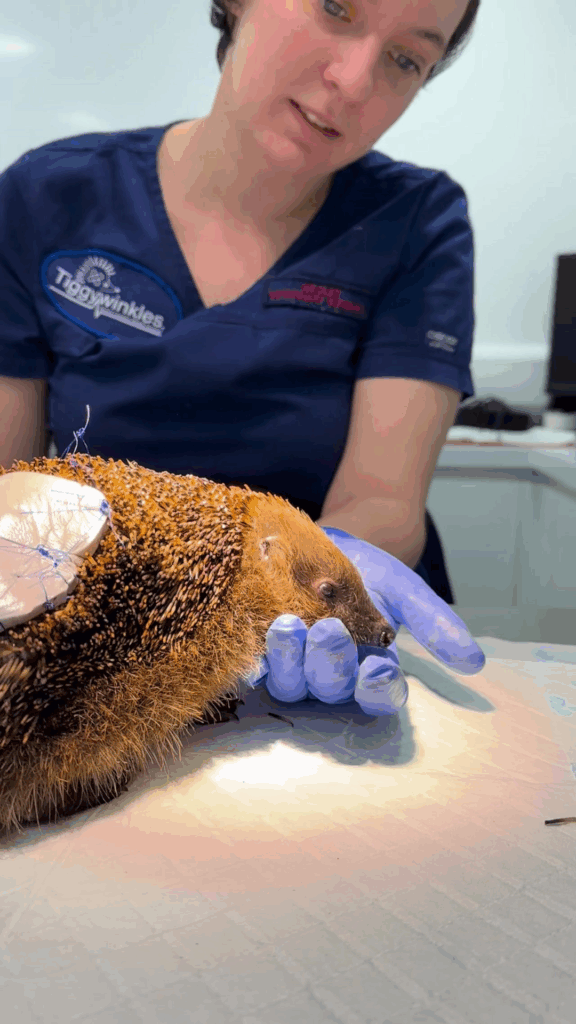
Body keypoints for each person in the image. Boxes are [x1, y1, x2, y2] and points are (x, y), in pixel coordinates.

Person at [0, 0, 485, 717]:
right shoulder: (48, 196)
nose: (353, 80)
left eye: (407, 58)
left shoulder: (416, 220)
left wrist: (322, 594)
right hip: (115, 635)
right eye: (335, 7)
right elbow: (8, 490)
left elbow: (383, 498)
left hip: (324, 638)